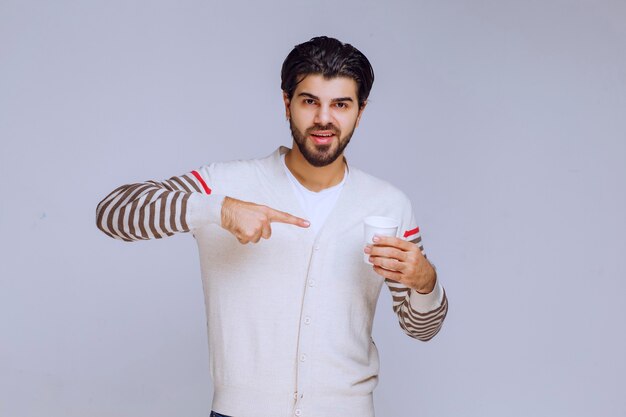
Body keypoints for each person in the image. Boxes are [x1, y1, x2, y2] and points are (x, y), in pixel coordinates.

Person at [96, 36, 448, 417]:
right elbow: (114, 213)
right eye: (309, 101)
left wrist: (425, 281)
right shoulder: (227, 184)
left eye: (340, 104)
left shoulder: (387, 205)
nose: (324, 118)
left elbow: (422, 328)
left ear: (360, 112)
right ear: (287, 103)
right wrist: (218, 209)